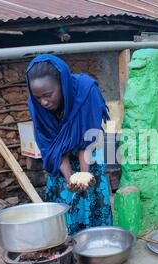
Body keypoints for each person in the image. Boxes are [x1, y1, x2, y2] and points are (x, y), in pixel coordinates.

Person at [26, 54, 113, 235]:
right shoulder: (37, 106)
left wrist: (85, 173)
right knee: (65, 203)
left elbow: (87, 140)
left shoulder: (87, 91)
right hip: (60, 161)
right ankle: (67, 249)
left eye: (48, 95)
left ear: (62, 84)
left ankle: (97, 244)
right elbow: (52, 147)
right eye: (38, 97)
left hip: (89, 154)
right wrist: (69, 178)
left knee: (91, 197)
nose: (43, 102)